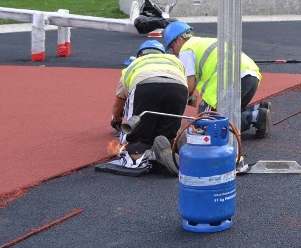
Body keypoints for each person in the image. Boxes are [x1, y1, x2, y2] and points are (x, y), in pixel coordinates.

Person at [162, 21, 269, 139]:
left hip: (231, 82)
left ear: (179, 39)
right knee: (227, 113)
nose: (174, 52)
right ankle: (257, 109)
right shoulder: (203, 42)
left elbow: (189, 86)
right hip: (250, 76)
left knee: (207, 126)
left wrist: (176, 101)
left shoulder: (186, 49)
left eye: (172, 47)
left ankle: (256, 116)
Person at [110, 39, 189, 175]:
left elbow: (119, 102)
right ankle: (170, 147)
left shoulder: (134, 64)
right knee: (168, 129)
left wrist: (116, 120)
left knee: (138, 136)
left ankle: (139, 156)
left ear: (140, 55)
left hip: (145, 86)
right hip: (179, 89)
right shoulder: (174, 60)